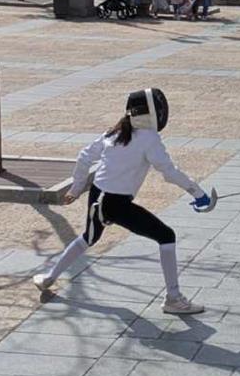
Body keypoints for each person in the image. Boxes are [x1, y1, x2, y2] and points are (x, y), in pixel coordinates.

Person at [33, 88, 217, 314]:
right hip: (116, 204)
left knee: (89, 237)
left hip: (96, 196)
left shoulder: (115, 131)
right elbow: (168, 171)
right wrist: (198, 193)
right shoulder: (149, 138)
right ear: (152, 112)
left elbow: (84, 156)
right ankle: (173, 299)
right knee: (166, 236)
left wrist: (77, 188)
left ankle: (49, 278)